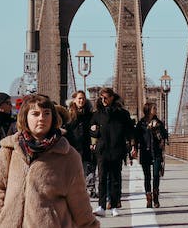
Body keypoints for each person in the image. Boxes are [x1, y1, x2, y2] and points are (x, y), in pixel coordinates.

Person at [0, 94, 99, 228]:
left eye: (46, 113)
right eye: (35, 114)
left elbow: (79, 200)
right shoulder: (10, 150)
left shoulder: (67, 155)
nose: (41, 118)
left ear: (53, 117)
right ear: (25, 117)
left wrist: (89, 224)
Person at [90, 87, 133, 217]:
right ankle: (101, 206)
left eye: (105, 97)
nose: (103, 100)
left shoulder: (122, 114)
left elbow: (129, 131)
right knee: (102, 178)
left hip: (117, 149)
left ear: (112, 97)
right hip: (102, 150)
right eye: (101, 97)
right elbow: (91, 131)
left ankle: (114, 206)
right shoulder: (97, 114)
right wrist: (94, 131)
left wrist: (132, 146)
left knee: (115, 179)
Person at [133, 102, 168, 208]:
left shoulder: (158, 123)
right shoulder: (141, 124)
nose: (156, 110)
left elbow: (165, 135)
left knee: (156, 175)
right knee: (147, 177)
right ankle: (149, 199)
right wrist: (134, 148)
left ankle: (156, 198)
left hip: (156, 152)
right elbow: (136, 137)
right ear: (148, 110)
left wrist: (157, 130)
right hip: (145, 153)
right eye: (154, 108)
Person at [64, 91, 96, 197]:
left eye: (83, 98)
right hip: (72, 146)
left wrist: (93, 138)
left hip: (86, 145)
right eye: (79, 98)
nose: (81, 101)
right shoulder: (68, 114)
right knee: (73, 170)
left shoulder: (90, 114)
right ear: (74, 100)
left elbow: (94, 129)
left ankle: (90, 189)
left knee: (88, 168)